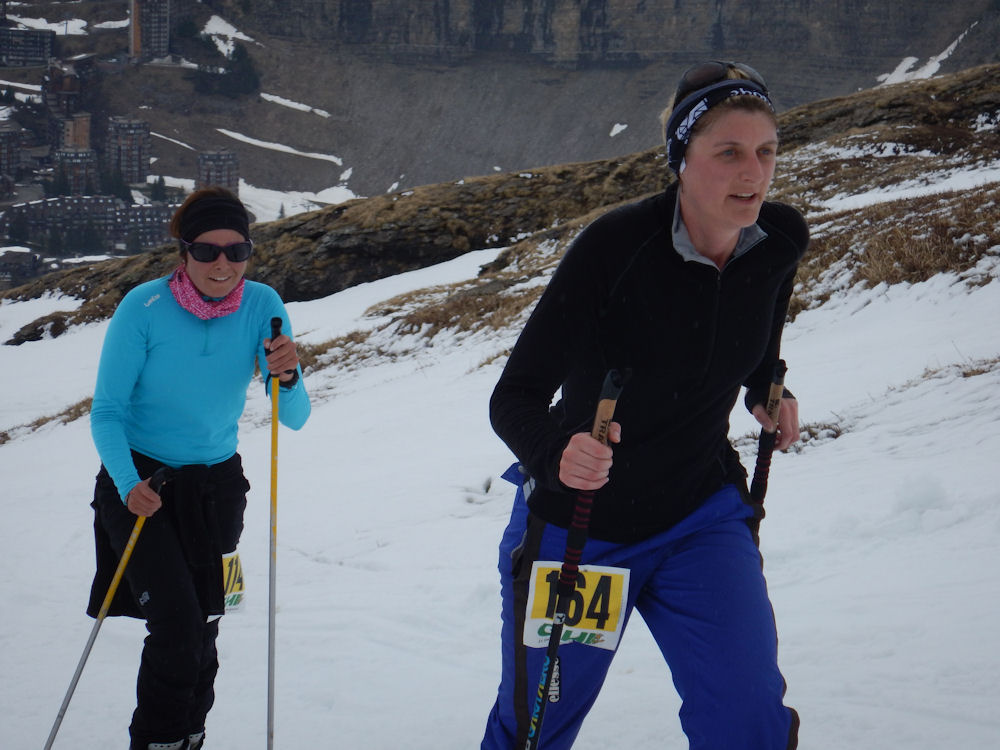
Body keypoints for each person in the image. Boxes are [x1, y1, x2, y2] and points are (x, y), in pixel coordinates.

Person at [480, 61, 807, 749]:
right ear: (681, 159)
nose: (753, 172)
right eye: (728, 152)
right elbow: (514, 397)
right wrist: (556, 453)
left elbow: (755, 342)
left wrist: (765, 390)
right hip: (583, 528)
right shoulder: (616, 247)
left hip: (700, 516)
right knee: (537, 728)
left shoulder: (779, 241)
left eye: (766, 151)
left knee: (748, 719)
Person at [88, 187, 311, 750]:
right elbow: (107, 411)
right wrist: (127, 485)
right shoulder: (143, 307)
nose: (223, 264)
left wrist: (289, 376)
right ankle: (159, 742)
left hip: (218, 488)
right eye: (207, 250)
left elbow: (295, 418)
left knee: (207, 621)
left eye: (238, 251)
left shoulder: (264, 305)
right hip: (142, 482)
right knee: (177, 627)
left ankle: (191, 736)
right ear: (184, 251)